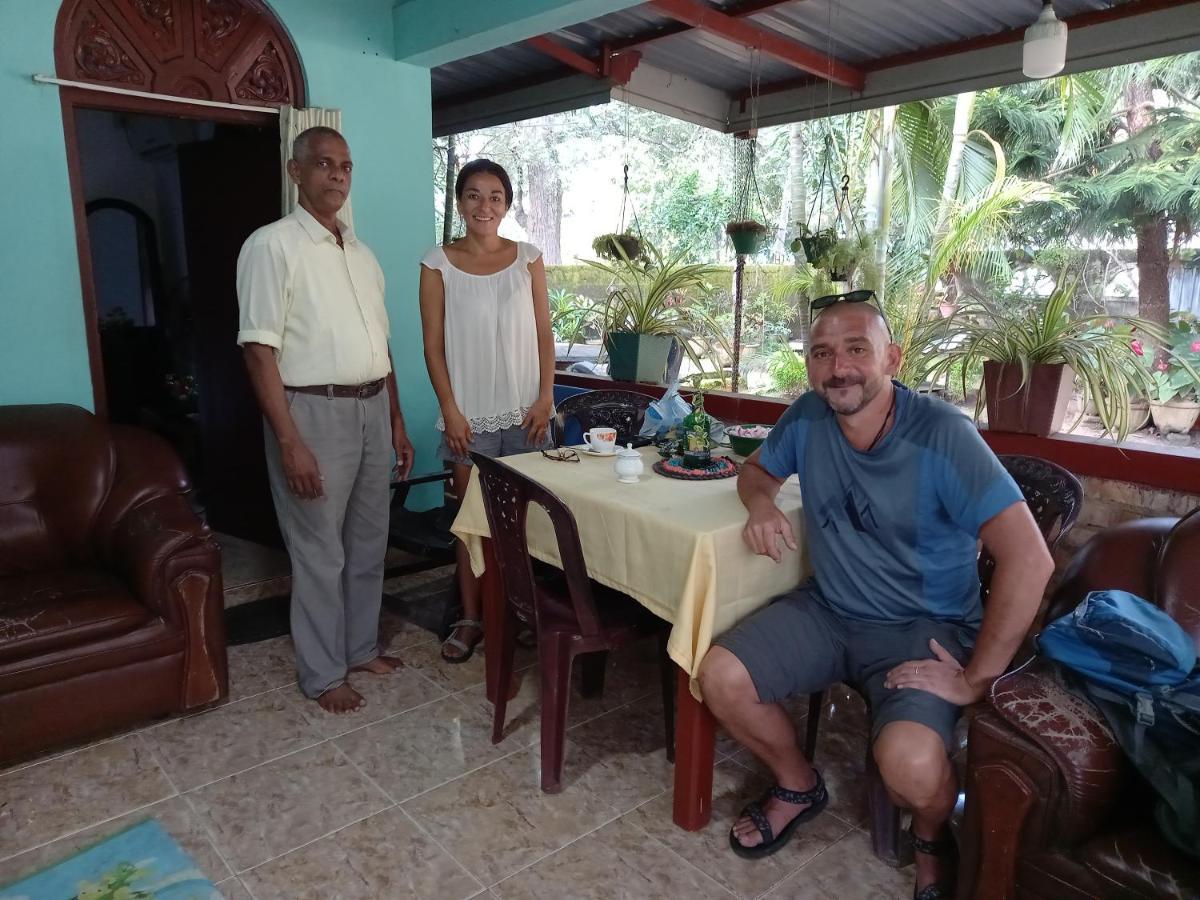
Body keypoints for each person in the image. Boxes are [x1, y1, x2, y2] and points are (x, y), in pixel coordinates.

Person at [697, 292, 1055, 899]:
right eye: (823, 353)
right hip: (832, 611)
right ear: (809, 366)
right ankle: (797, 783)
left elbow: (1030, 559)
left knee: (911, 765)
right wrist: (760, 502)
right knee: (720, 677)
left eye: (856, 350)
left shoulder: (943, 434)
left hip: (924, 627)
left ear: (892, 356)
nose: (839, 368)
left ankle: (933, 837)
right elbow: (756, 471)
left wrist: (975, 678)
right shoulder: (808, 416)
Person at [237, 126, 414, 715]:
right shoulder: (272, 246)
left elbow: (381, 346)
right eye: (322, 164)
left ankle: (360, 647)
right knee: (318, 550)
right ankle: (322, 672)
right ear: (296, 173)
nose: (336, 175)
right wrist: (290, 440)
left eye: (345, 165)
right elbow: (258, 350)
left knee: (369, 542)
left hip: (370, 407)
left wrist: (396, 420)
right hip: (310, 413)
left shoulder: (361, 254)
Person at [419, 159, 556, 663]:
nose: (485, 205)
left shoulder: (529, 258)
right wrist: (450, 410)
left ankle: (519, 614)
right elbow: (432, 346)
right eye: (474, 195)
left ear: (507, 204)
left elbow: (544, 333)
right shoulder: (437, 262)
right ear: (459, 202)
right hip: (468, 420)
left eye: (495, 196)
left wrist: (546, 398)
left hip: (528, 415)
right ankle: (472, 618)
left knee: (525, 525)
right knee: (470, 524)